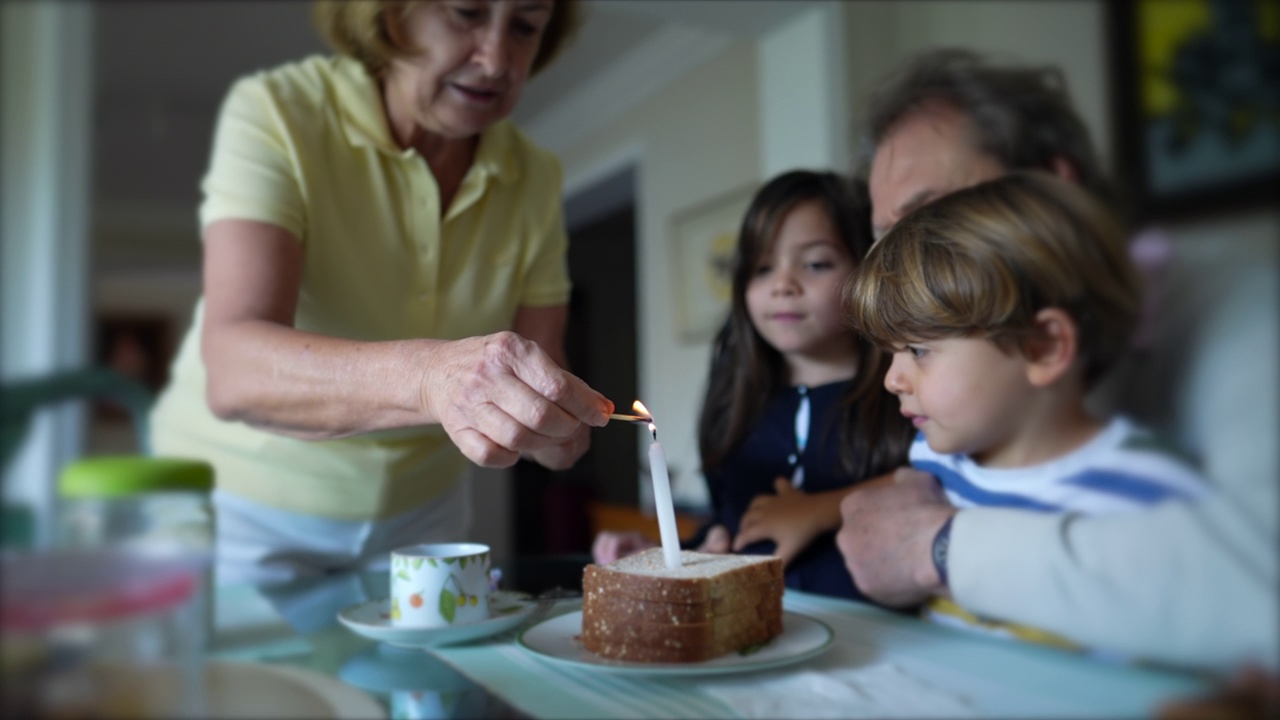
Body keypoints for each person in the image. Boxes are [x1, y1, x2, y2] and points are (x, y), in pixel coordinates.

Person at [836, 48, 1277, 670]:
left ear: (1050, 186)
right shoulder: (956, 396)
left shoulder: (1244, 312)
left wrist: (933, 548)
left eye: (929, 215)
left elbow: (1261, 586)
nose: (903, 256)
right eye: (887, 236)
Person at [149, 0, 614, 585]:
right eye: (466, 12)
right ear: (391, 15)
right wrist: (429, 377)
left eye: (524, 26)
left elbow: (545, 363)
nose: (496, 59)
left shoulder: (536, 175)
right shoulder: (278, 111)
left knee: (428, 677)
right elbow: (233, 369)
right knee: (265, 682)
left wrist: (552, 425)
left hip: (423, 513)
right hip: (238, 504)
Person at [845, 171, 1210, 649]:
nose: (893, 379)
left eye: (917, 350)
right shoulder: (935, 465)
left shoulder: (1153, 490)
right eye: (890, 353)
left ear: (1043, 347)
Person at [592, 171, 914, 600]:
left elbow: (938, 481)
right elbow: (730, 525)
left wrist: (819, 510)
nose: (782, 285)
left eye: (816, 263)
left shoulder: (903, 388)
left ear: (864, 269)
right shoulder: (738, 401)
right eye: (763, 268)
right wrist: (673, 552)